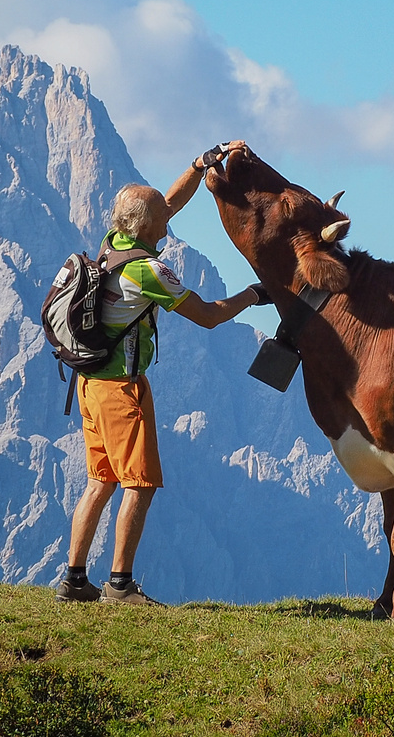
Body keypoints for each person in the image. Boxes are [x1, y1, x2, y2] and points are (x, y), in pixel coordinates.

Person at [57, 141, 271, 604]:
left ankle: (74, 580)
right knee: (140, 484)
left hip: (89, 384)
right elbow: (210, 315)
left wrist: (199, 165)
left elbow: (167, 202)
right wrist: (255, 294)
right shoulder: (148, 271)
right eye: (163, 220)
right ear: (147, 226)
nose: (169, 223)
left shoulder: (111, 246)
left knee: (99, 481)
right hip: (120, 389)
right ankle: (119, 586)